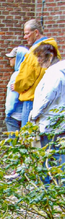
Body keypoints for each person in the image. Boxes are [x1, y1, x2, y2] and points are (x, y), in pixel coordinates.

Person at [29, 43, 65, 184]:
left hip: (51, 122)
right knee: (57, 155)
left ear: (50, 56)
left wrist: (35, 114)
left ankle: (51, 189)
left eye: (40, 57)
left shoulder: (55, 74)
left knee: (51, 156)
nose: (38, 61)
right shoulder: (59, 72)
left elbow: (47, 97)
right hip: (58, 121)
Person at [14, 19, 61, 127]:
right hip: (50, 101)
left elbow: (25, 79)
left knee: (28, 138)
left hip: (33, 100)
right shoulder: (53, 48)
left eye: (27, 34)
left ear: (36, 32)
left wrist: (17, 85)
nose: (25, 37)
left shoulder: (34, 52)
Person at [5, 46, 29, 134]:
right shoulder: (28, 74)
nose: (9, 59)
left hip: (14, 116)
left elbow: (13, 97)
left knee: (14, 145)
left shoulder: (16, 75)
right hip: (25, 115)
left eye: (12, 57)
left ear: (19, 58)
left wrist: (8, 112)